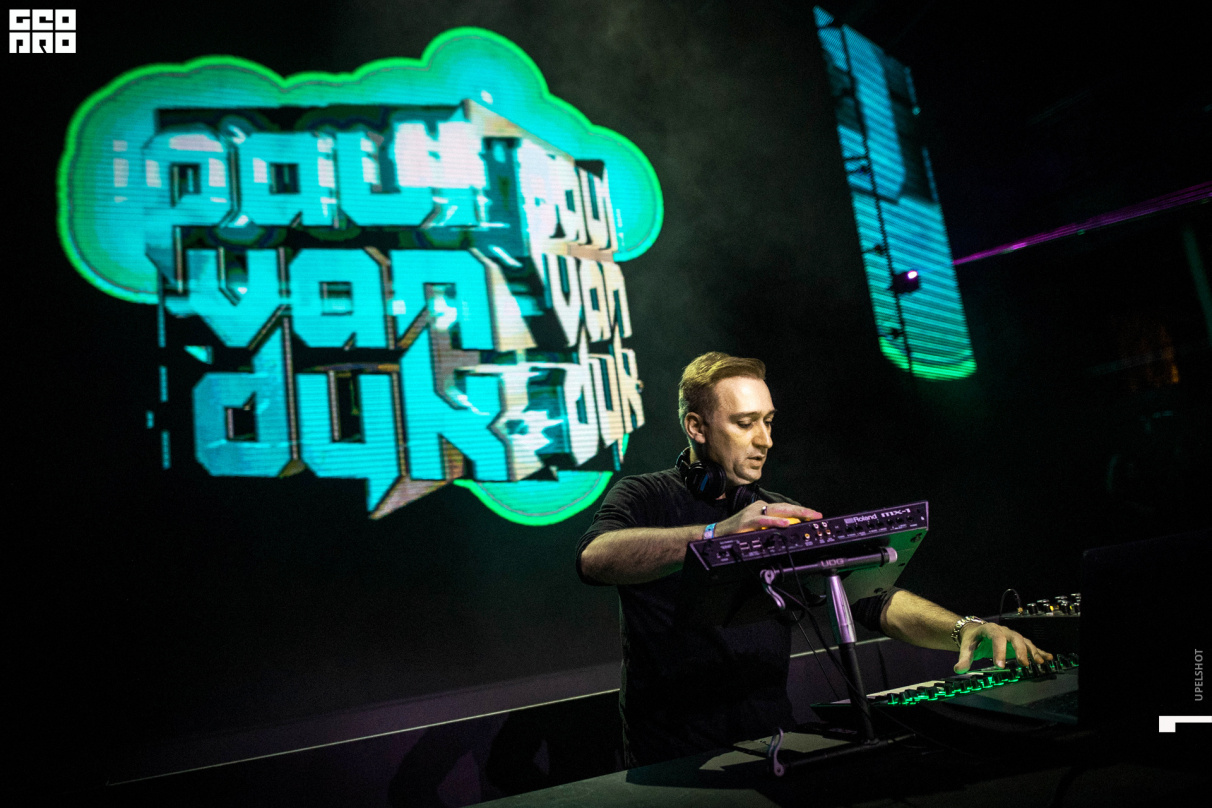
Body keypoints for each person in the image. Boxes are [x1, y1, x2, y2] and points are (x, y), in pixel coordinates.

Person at [576, 352, 1050, 767]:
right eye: (745, 423)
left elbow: (869, 596)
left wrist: (964, 628)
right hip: (674, 763)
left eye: (768, 421)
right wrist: (717, 534)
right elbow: (595, 558)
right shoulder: (645, 496)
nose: (765, 440)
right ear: (696, 427)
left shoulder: (779, 512)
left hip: (774, 746)